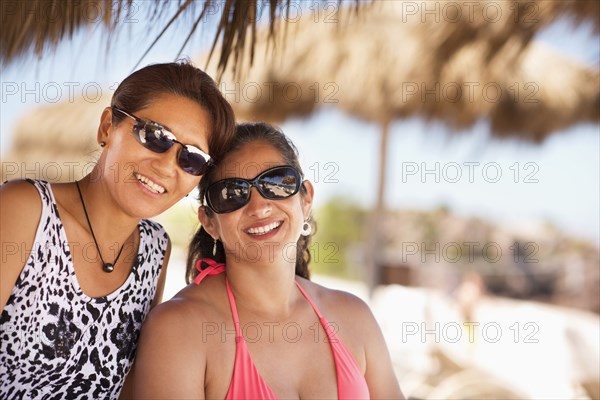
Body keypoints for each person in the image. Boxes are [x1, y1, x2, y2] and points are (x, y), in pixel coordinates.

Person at [0, 61, 236, 399]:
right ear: (108, 126)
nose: (167, 166)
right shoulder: (26, 210)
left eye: (192, 159)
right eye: (155, 136)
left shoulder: (155, 249)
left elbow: (126, 387)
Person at [133, 122, 404, 399]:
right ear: (209, 223)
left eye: (275, 183)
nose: (259, 207)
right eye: (232, 194)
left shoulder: (354, 318)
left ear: (306, 198)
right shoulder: (179, 330)